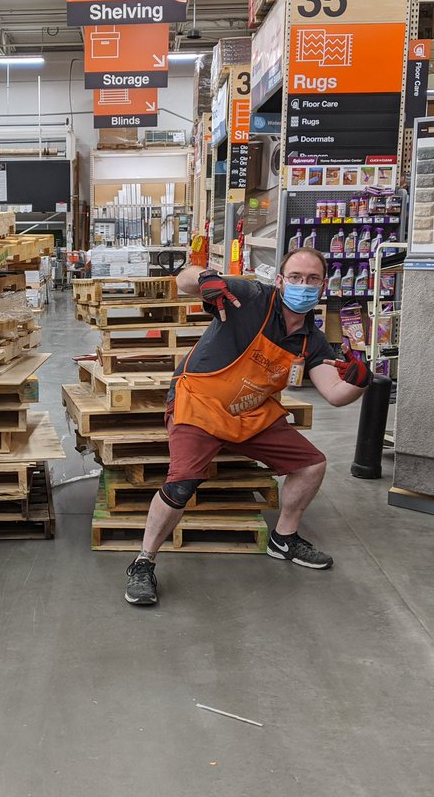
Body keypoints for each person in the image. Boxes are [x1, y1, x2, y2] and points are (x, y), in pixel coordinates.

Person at [124, 249, 371, 606]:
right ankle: (143, 562)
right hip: (199, 400)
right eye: (296, 277)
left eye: (313, 279)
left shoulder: (312, 342)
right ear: (282, 280)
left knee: (312, 463)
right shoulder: (252, 298)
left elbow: (334, 393)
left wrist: (360, 382)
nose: (304, 285)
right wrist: (207, 280)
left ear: (323, 286)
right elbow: (184, 278)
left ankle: (284, 538)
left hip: (249, 410)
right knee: (181, 485)